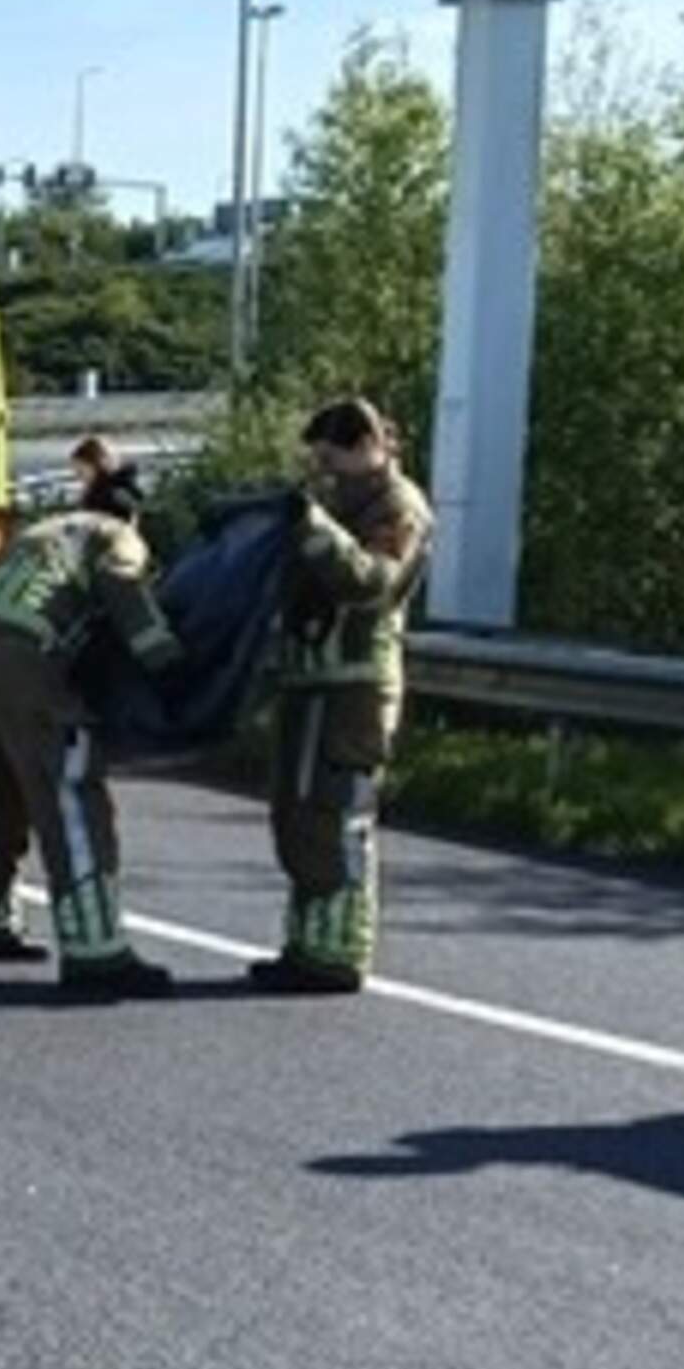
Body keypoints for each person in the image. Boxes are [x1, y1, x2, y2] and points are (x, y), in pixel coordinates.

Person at [0, 469, 183, 997]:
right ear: (132, 513)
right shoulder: (114, 533)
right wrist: (165, 659)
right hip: (23, 651)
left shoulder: (42, 531)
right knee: (70, 789)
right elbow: (124, 588)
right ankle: (96, 949)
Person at [251, 396, 434, 996]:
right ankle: (306, 946)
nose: (325, 475)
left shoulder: (396, 508)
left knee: (334, 815)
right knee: (295, 814)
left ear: (367, 448)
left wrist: (313, 528)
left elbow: (372, 584)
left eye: (333, 462)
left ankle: (338, 954)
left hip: (355, 688)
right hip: (311, 684)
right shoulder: (340, 503)